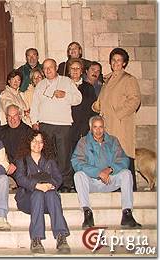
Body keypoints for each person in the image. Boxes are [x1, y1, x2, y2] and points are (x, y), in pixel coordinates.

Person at [71, 115, 142, 229]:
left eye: (101, 127)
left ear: (104, 128)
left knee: (127, 174)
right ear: (90, 128)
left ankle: (127, 214)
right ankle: (87, 213)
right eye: (95, 127)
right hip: (92, 182)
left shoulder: (113, 141)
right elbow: (77, 162)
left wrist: (109, 169)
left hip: (110, 180)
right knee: (78, 175)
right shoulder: (83, 142)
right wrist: (98, 172)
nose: (98, 130)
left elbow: (123, 159)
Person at [11, 130, 70, 254]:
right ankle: (36, 238)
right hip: (28, 200)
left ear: (44, 144)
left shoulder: (49, 160)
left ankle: (61, 237)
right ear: (29, 142)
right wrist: (37, 186)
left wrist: (51, 186)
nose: (37, 144)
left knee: (52, 194)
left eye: (40, 141)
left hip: (48, 200)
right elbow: (20, 179)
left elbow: (58, 178)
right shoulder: (22, 160)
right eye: (34, 141)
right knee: (38, 194)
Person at [30, 58, 82, 193]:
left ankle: (65, 183)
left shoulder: (66, 81)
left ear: (56, 68)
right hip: (45, 124)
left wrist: (65, 95)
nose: (48, 70)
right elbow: (35, 104)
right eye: (45, 68)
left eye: (50, 67)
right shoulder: (40, 85)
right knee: (48, 155)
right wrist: (34, 121)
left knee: (64, 155)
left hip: (63, 124)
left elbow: (78, 99)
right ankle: (49, 181)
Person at [92, 48, 141, 191]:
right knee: (111, 155)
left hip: (121, 124)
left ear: (124, 63)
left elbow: (135, 100)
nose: (115, 63)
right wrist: (97, 107)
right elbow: (102, 100)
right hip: (108, 125)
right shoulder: (107, 80)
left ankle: (130, 189)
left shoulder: (128, 79)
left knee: (124, 154)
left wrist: (118, 114)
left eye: (119, 60)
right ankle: (115, 187)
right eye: (113, 60)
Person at [0, 104, 33, 189]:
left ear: (20, 116)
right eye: (9, 116)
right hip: (4, 167)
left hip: (22, 167)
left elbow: (30, 152)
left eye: (15, 116)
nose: (12, 119)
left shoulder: (28, 132)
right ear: (6, 117)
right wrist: (5, 164)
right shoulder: (0, 131)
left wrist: (15, 164)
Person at [68, 58, 97, 152]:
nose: (75, 70)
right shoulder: (63, 86)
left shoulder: (89, 88)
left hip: (83, 129)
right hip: (67, 129)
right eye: (72, 68)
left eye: (78, 68)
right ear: (69, 71)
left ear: (82, 71)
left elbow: (93, 110)